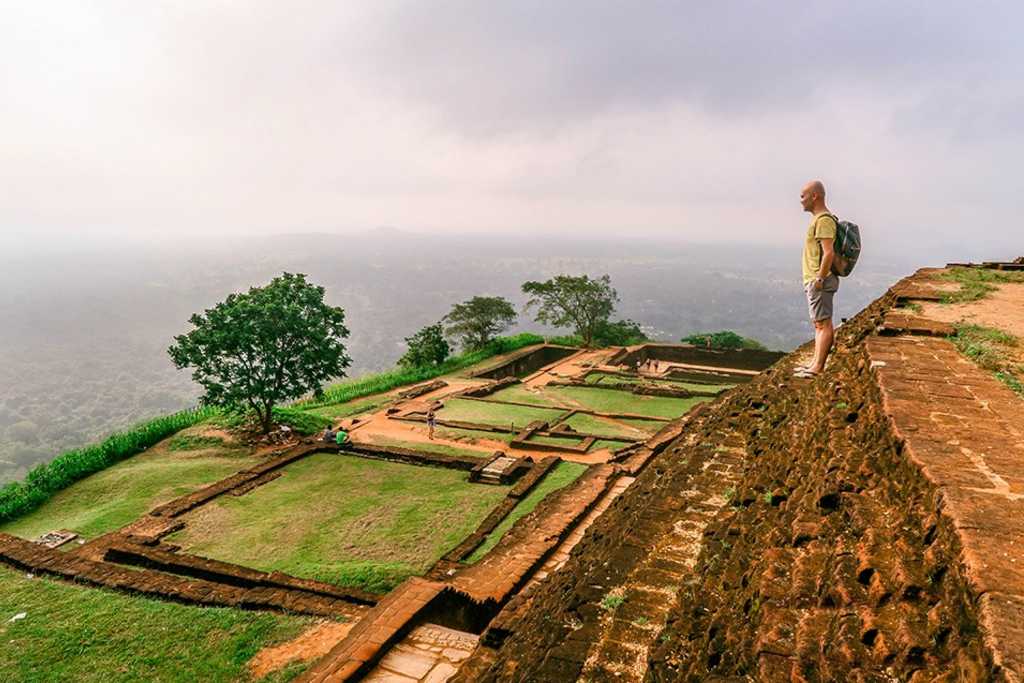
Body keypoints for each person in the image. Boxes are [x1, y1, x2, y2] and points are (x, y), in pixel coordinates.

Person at [795, 179, 839, 378]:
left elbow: (828, 253)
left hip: (820, 280)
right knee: (819, 324)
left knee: (823, 324)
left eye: (803, 196)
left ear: (815, 196)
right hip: (815, 279)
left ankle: (818, 367)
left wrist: (819, 279)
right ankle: (815, 363)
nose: (801, 200)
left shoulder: (824, 220)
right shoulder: (818, 220)